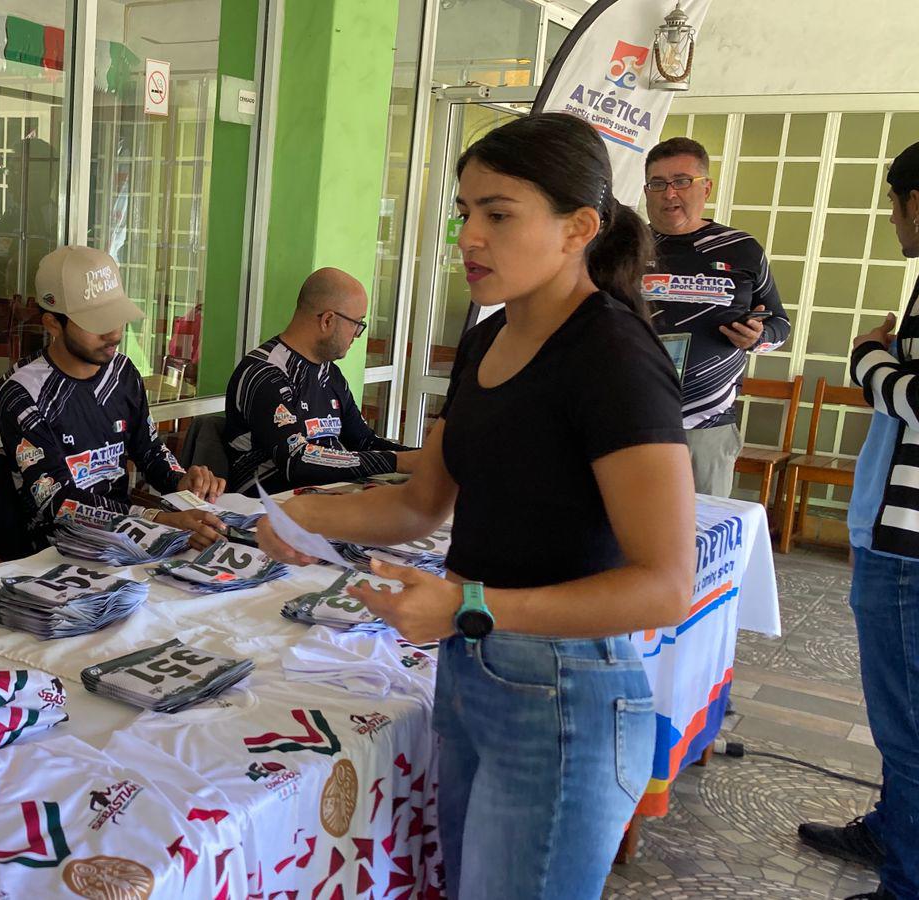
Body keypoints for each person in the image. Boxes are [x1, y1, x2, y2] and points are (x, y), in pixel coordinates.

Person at [256, 113, 694, 898]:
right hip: (471, 672)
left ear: (578, 229)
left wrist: (469, 605)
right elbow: (420, 505)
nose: (469, 238)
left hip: (564, 692)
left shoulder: (614, 357)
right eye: (464, 213)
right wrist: (299, 516)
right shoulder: (488, 343)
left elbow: (665, 585)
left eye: (499, 214)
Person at [799, 140, 919, 900]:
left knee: (907, 725)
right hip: (894, 530)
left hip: (911, 546)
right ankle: (892, 828)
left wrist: (868, 358)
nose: (892, 222)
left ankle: (906, 883)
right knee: (900, 715)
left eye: (892, 207)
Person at [0, 245, 226, 548]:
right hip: (52, 552)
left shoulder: (123, 372)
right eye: (96, 323)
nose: (114, 333)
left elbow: (149, 450)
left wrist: (181, 481)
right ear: (53, 324)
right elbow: (57, 502)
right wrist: (156, 519)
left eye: (116, 317)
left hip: (128, 538)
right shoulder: (22, 393)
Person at [642, 137, 792, 496]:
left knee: (706, 527)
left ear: (706, 187)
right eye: (657, 183)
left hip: (707, 424)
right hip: (631, 418)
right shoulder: (623, 247)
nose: (669, 193)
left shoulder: (741, 249)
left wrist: (759, 337)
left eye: (681, 181)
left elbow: (781, 325)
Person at [223, 267, 416, 493]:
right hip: (272, 505)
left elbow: (364, 441)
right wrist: (396, 461)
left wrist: (425, 457)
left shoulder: (330, 374)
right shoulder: (264, 374)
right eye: (357, 323)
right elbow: (296, 460)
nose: (357, 335)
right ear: (328, 320)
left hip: (330, 497)